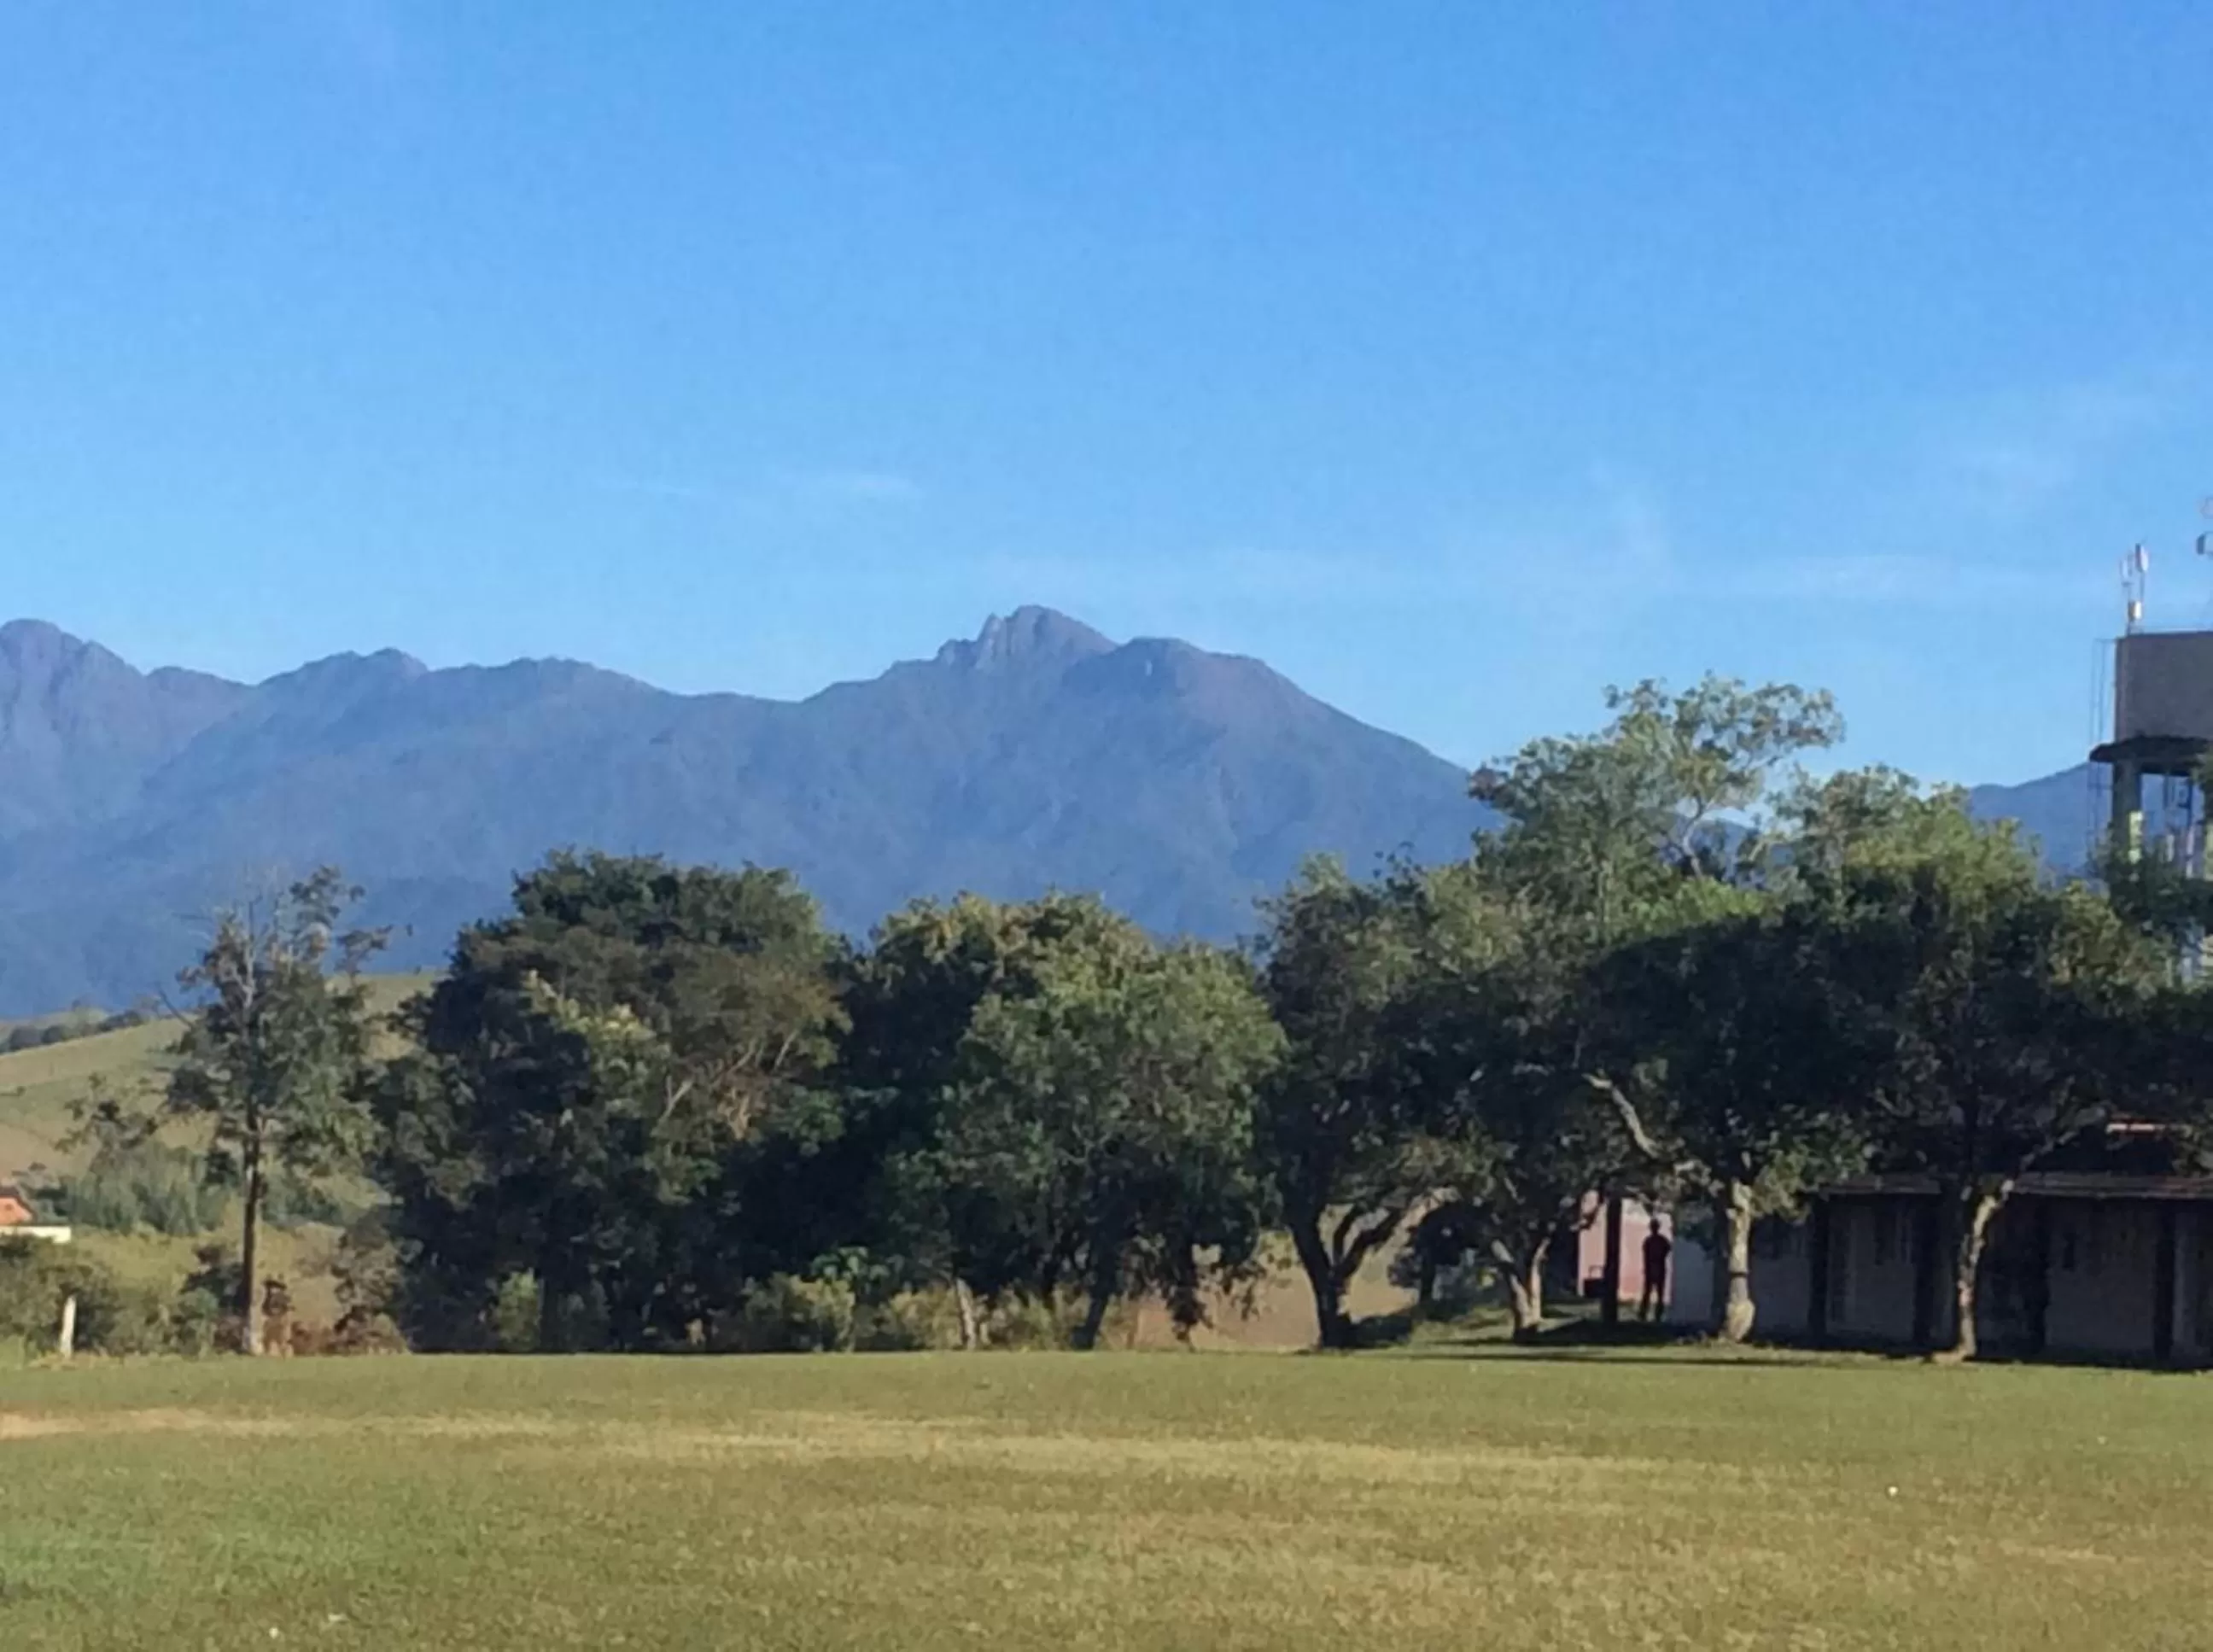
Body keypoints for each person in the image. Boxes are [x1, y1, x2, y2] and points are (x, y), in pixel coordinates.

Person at [1638, 1217, 1673, 1322]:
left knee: (1651, 1293)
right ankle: (1651, 1314)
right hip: (1656, 1268)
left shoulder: (1650, 1241)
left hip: (1654, 1268)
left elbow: (1646, 1255)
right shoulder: (1658, 1241)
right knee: (1654, 1293)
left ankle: (1647, 1314)